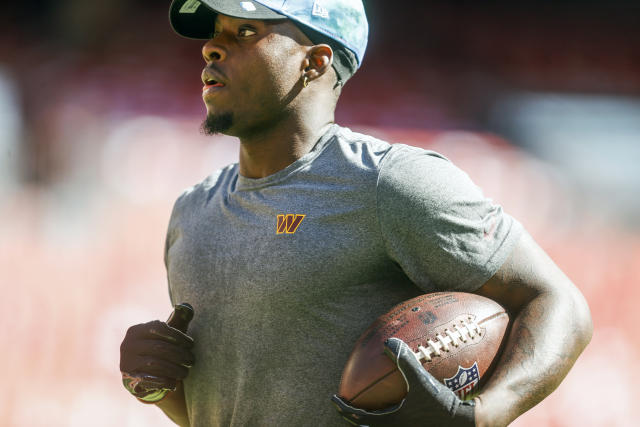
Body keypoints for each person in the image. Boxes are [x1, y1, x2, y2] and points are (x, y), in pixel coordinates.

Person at [119, 1, 593, 426]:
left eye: (244, 32)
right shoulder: (192, 210)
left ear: (315, 61)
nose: (210, 50)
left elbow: (560, 304)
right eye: (214, 32)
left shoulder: (392, 182)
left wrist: (485, 413)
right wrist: (159, 385)